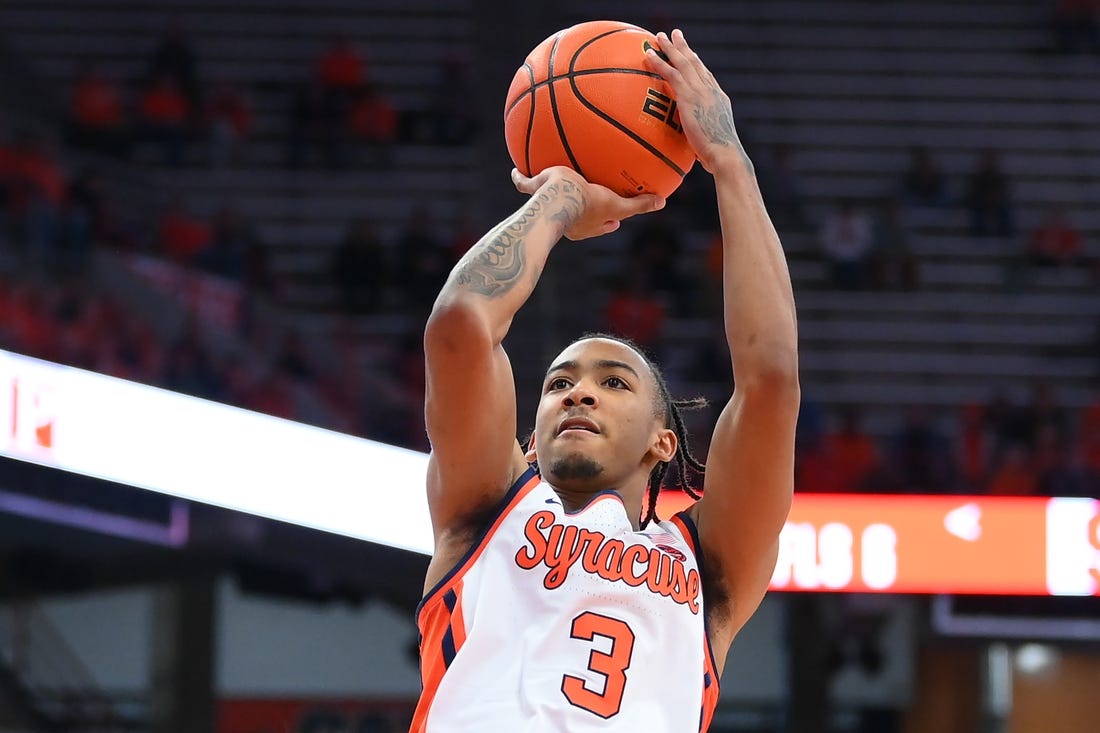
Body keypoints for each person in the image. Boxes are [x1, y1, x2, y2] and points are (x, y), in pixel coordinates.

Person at [412, 29, 799, 732]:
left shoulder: (708, 564)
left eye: (614, 382)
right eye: (558, 383)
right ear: (529, 434)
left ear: (662, 440)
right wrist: (558, 198)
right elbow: (461, 325)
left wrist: (730, 162)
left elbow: (770, 380)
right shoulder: (485, 508)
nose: (577, 391)